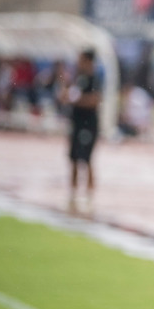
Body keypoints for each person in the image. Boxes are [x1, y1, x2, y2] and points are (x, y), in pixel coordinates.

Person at [62, 49, 101, 210]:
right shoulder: (78, 78)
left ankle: (90, 195)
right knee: (73, 158)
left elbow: (95, 100)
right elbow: (65, 95)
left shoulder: (95, 79)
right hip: (76, 122)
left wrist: (76, 100)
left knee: (87, 158)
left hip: (88, 123)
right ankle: (72, 193)